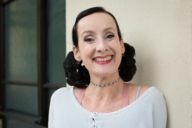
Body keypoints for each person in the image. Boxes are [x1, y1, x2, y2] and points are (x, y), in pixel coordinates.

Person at [48, 6, 167, 128]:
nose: (102, 47)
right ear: (77, 52)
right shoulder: (60, 100)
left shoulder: (149, 101)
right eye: (89, 39)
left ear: (121, 45)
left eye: (109, 36)